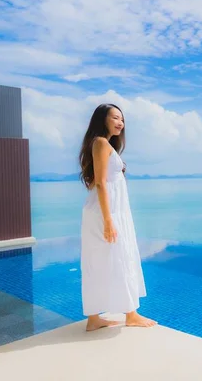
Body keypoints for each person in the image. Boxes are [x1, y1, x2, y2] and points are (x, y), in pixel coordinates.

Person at [78, 103, 157, 331]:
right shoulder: (101, 143)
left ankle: (94, 319)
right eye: (114, 117)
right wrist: (109, 220)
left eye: (121, 118)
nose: (120, 122)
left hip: (107, 211)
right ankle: (130, 314)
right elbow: (101, 184)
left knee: (99, 260)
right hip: (108, 213)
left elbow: (98, 182)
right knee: (119, 255)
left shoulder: (104, 145)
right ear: (102, 119)